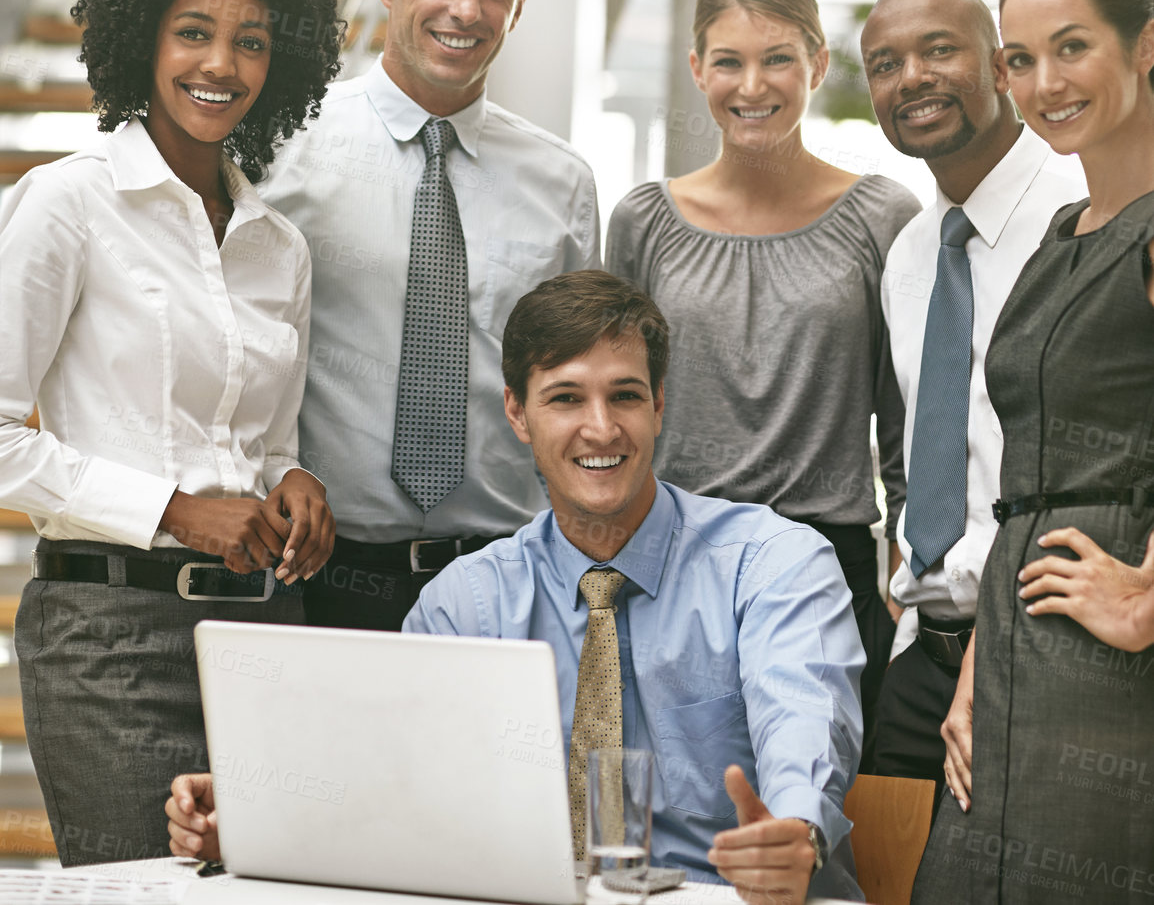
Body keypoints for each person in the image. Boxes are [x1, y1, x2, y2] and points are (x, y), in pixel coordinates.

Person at [167, 269, 866, 904]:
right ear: (517, 413)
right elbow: (401, 792)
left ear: (658, 404)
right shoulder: (464, 602)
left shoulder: (774, 562)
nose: (601, 427)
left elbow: (805, 714)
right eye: (566, 398)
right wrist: (260, 820)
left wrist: (796, 829)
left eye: (625, 394)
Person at [0, 0, 340, 866]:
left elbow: (262, 444)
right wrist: (175, 509)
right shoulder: (66, 206)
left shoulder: (280, 247)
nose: (220, 65)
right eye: (194, 31)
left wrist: (292, 482)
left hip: (263, 630)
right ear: (142, 36)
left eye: (251, 42)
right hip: (109, 642)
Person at [262, 0, 599, 631]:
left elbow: (575, 391)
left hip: (507, 586)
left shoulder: (564, 185)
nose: (466, 9)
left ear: (517, 5)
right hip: (323, 579)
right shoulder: (284, 149)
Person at [606, 0, 919, 746]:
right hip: (675, 560)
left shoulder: (883, 216)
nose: (754, 85)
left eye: (778, 58)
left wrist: (907, 566)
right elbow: (609, 411)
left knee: (812, 811)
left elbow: (907, 415)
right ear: (695, 69)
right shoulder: (644, 221)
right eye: (729, 62)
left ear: (816, 62)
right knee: (675, 808)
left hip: (830, 563)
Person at [912, 0, 1154, 904]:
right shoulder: (1065, 237)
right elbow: (1027, 484)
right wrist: (980, 662)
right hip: (1015, 658)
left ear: (1145, 47)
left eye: (1072, 48)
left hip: (1115, 677)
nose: (1044, 83)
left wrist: (1146, 600)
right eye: (1019, 59)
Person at [859, 0, 1084, 794]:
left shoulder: (1084, 215)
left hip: (1044, 649)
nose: (911, 76)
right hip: (923, 651)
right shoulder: (911, 253)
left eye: (938, 50)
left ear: (1000, 67)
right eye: (885, 64)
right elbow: (918, 440)